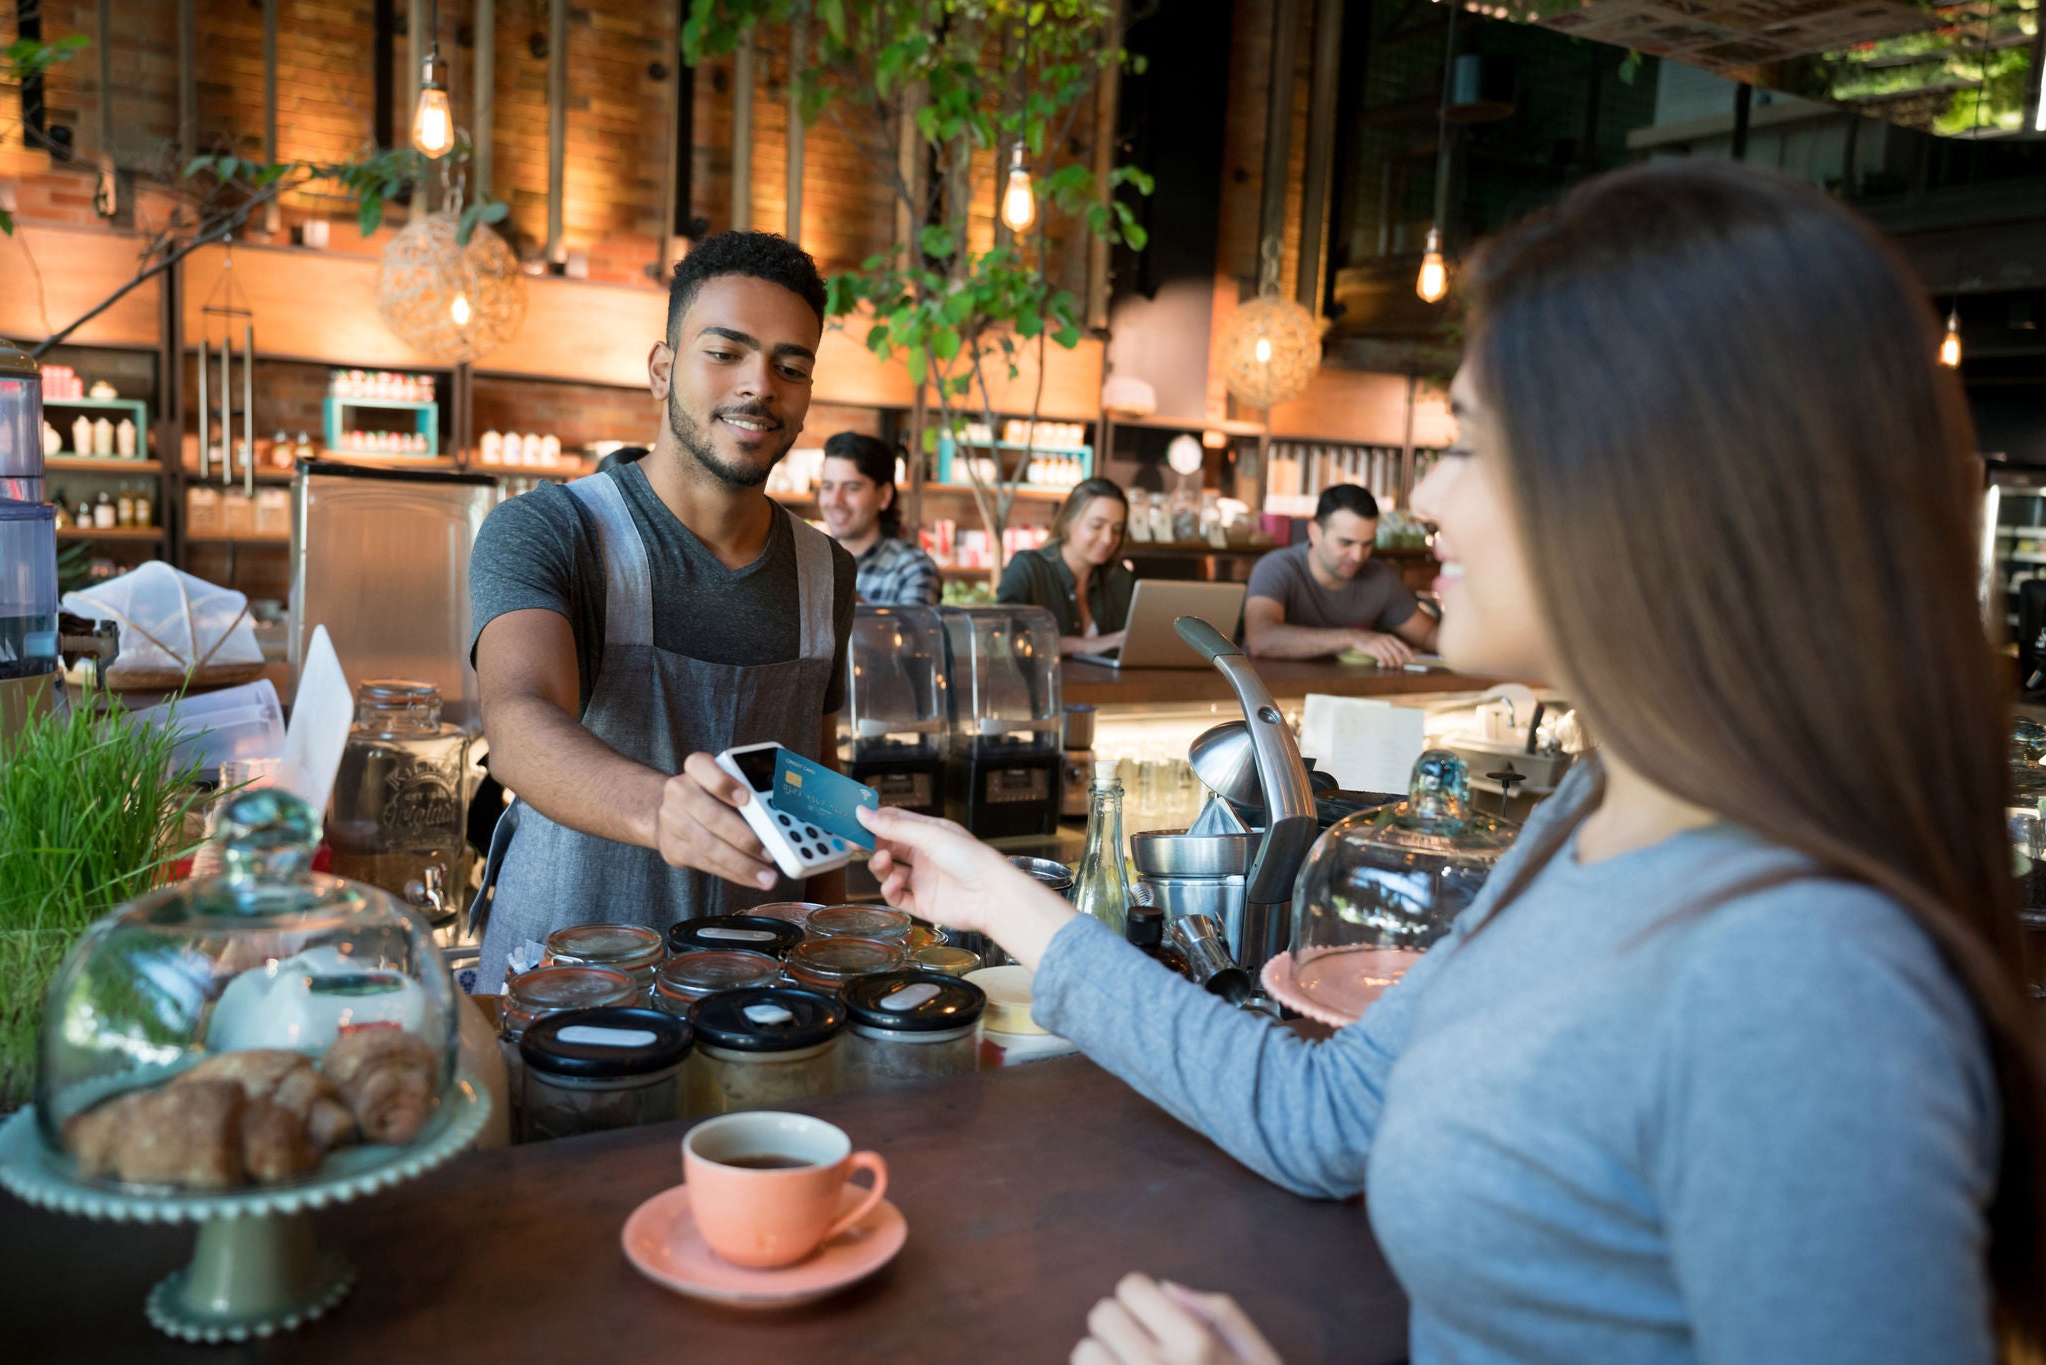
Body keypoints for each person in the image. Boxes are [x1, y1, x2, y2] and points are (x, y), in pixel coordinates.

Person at [856, 161, 2046, 1363]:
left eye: (1467, 444)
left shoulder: (1800, 986)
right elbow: (1322, 1114)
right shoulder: (1591, 818)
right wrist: (999, 899)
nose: (1422, 498)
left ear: (1645, 491)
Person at [468, 231, 856, 991]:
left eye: (791, 365)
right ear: (661, 368)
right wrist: (661, 810)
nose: (760, 385)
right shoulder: (552, 529)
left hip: (751, 999)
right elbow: (516, 721)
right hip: (563, 995)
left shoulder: (826, 570)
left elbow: (815, 771)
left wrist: (836, 950)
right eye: (724, 352)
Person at [1242, 484, 1438, 666]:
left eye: (1367, 544)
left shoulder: (1379, 577)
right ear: (1315, 533)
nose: (1358, 556)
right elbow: (1261, 639)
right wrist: (1353, 638)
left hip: (1347, 693)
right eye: (1346, 543)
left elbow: (1428, 635)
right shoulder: (1276, 568)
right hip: (1273, 697)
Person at [995, 477, 1135, 656]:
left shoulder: (1118, 577)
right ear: (1069, 521)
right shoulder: (1028, 568)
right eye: (1096, 526)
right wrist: (1089, 645)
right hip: (1041, 684)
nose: (1108, 539)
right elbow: (1005, 637)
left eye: (1117, 529)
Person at [816, 431, 941, 606]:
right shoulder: (810, 561)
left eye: (852, 488)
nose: (836, 501)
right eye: (827, 487)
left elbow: (912, 634)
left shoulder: (912, 569)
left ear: (884, 496)